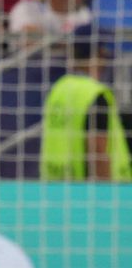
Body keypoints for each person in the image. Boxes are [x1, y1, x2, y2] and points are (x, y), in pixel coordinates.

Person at [40, 28, 132, 182]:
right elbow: (97, 149)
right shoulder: (95, 94)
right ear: (98, 55)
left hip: (56, 184)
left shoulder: (59, 88)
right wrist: (105, 194)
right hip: (90, 192)